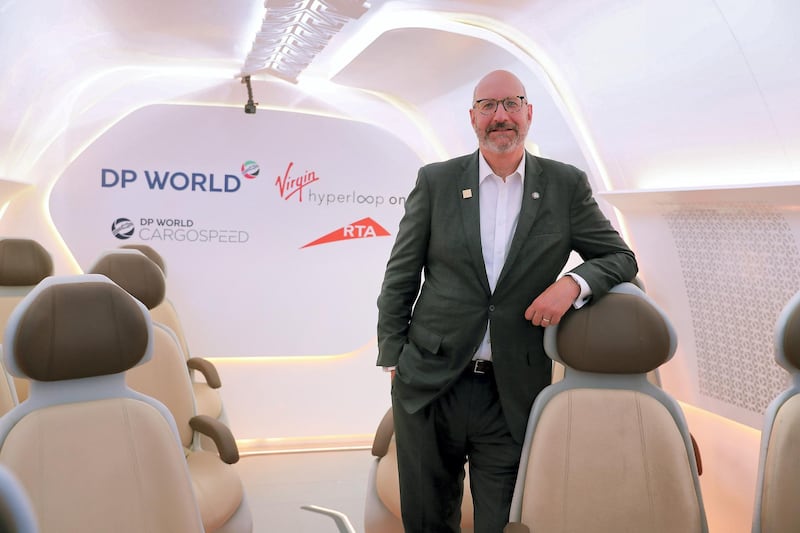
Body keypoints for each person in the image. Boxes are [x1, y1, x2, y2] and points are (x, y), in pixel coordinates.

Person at [376, 69, 638, 533]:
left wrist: (572, 285)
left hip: (512, 386)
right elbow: (401, 272)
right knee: (426, 520)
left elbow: (620, 256)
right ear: (472, 118)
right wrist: (393, 356)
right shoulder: (436, 181)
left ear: (528, 113)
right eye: (488, 106)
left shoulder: (564, 185)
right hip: (432, 381)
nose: (501, 116)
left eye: (511, 104)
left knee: (501, 522)